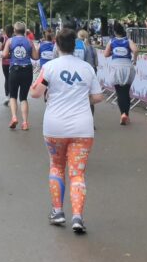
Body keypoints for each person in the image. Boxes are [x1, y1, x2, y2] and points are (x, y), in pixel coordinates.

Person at [32, 27, 102, 234]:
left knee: (56, 167)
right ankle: (78, 216)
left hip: (55, 126)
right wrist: (80, 97)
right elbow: (98, 97)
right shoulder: (87, 68)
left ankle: (57, 211)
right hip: (82, 128)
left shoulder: (50, 67)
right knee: (77, 173)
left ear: (56, 44)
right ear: (76, 46)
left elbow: (35, 93)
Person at [101, 21, 135, 124]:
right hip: (128, 67)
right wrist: (135, 59)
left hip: (116, 67)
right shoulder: (128, 41)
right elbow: (136, 50)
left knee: (119, 92)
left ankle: (122, 114)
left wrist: (113, 51)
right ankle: (126, 114)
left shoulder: (112, 41)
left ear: (114, 32)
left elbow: (106, 54)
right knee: (126, 92)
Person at [4, 21, 36, 130]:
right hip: (27, 70)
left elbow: (4, 55)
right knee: (23, 97)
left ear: (14, 30)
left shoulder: (10, 41)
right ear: (24, 31)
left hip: (14, 69)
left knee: (13, 96)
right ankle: (25, 122)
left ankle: (14, 117)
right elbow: (36, 57)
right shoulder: (29, 41)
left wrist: (10, 54)